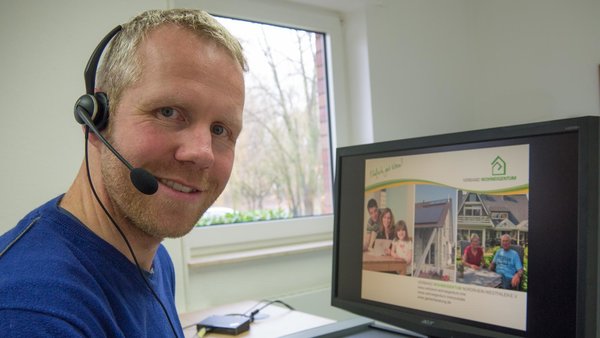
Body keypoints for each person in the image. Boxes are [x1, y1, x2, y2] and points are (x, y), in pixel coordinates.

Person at [0, 9, 246, 337]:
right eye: (169, 112)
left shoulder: (154, 258)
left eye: (220, 129)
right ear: (96, 119)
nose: (202, 153)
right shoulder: (35, 310)